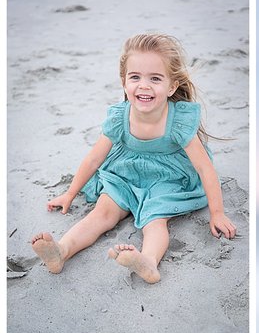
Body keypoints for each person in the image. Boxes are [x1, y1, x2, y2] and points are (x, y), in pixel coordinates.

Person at [30, 33, 236, 284]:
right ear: (124, 82)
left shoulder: (179, 121)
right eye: (135, 77)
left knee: (155, 218)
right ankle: (62, 251)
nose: (144, 85)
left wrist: (217, 213)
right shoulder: (120, 117)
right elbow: (94, 159)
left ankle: (149, 261)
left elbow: (204, 168)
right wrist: (70, 193)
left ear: (171, 86)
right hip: (125, 172)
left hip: (168, 177)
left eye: (155, 78)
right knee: (101, 213)